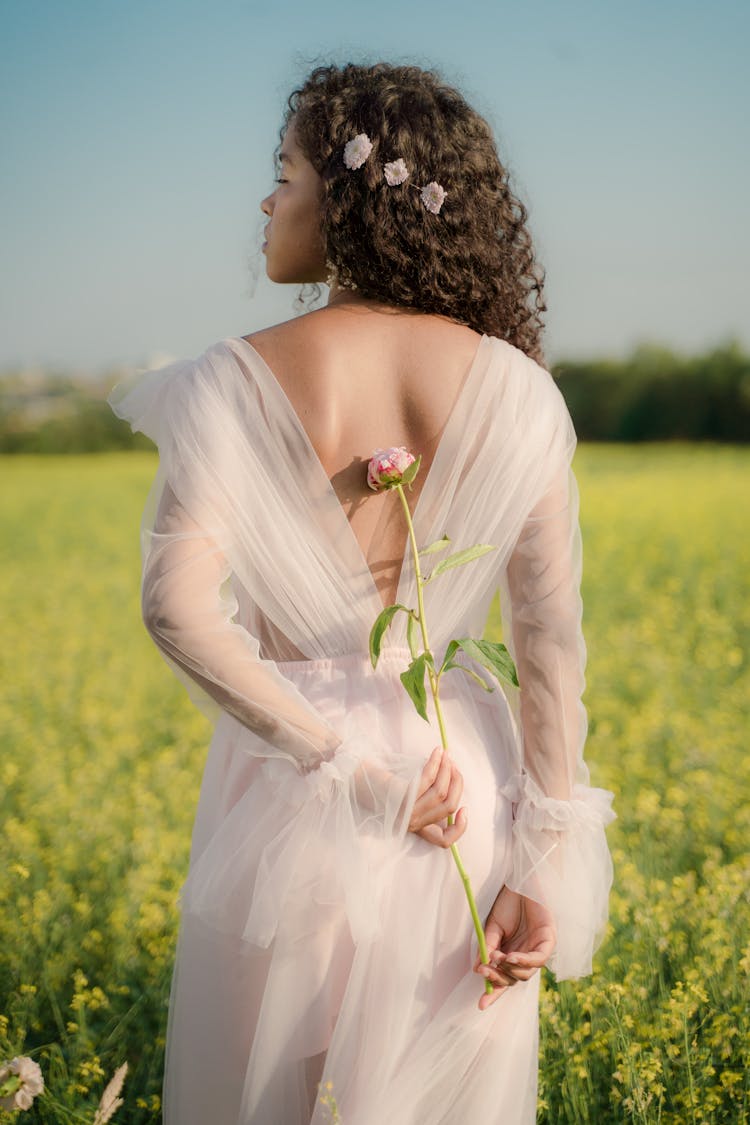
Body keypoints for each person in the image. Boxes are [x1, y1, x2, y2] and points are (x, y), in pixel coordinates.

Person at [109, 61, 614, 1125]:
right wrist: (540, 856)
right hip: (465, 787)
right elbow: (550, 644)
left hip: (292, 787)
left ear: (348, 197)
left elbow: (176, 609)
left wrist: (342, 760)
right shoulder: (521, 391)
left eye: (283, 173)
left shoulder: (228, 378)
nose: (267, 200)